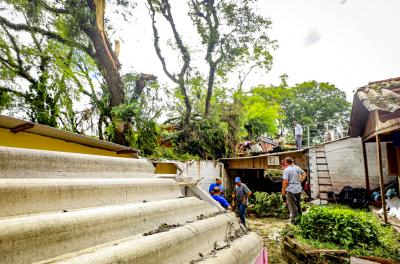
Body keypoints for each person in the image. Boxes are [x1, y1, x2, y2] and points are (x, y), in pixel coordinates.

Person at [281, 157, 307, 223]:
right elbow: (304, 174)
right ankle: (300, 219)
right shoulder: (297, 167)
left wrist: (283, 190)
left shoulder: (286, 170)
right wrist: (300, 181)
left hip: (291, 190)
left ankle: (293, 221)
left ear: (286, 162)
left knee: (292, 206)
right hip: (298, 189)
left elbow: (285, 181)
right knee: (298, 204)